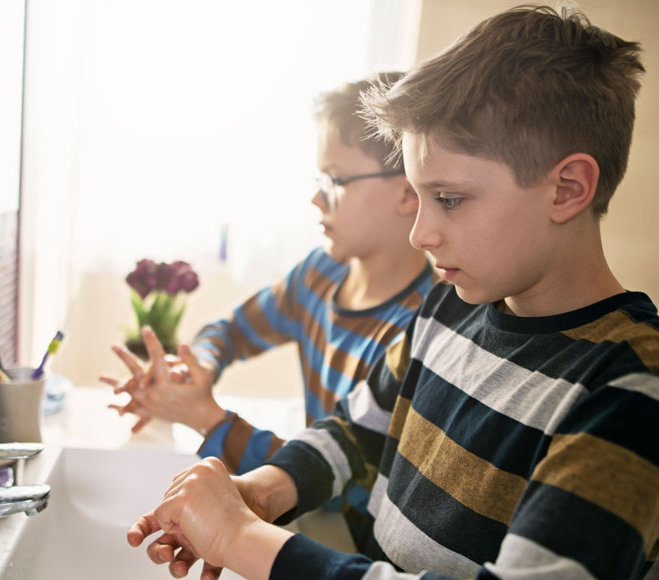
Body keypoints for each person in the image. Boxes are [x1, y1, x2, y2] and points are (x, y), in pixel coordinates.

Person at [126, 6, 659, 580]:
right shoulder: (451, 308)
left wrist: (238, 536)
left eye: (449, 199)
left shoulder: (637, 381)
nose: (419, 232)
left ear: (568, 188)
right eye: (419, 197)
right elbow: (355, 432)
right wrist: (260, 493)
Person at [103, 72, 437, 538]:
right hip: (314, 524)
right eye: (319, 178)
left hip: (351, 544)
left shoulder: (420, 328)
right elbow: (232, 330)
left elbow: (336, 482)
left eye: (336, 180)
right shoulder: (320, 275)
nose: (316, 197)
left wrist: (205, 417)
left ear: (407, 192)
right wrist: (192, 372)